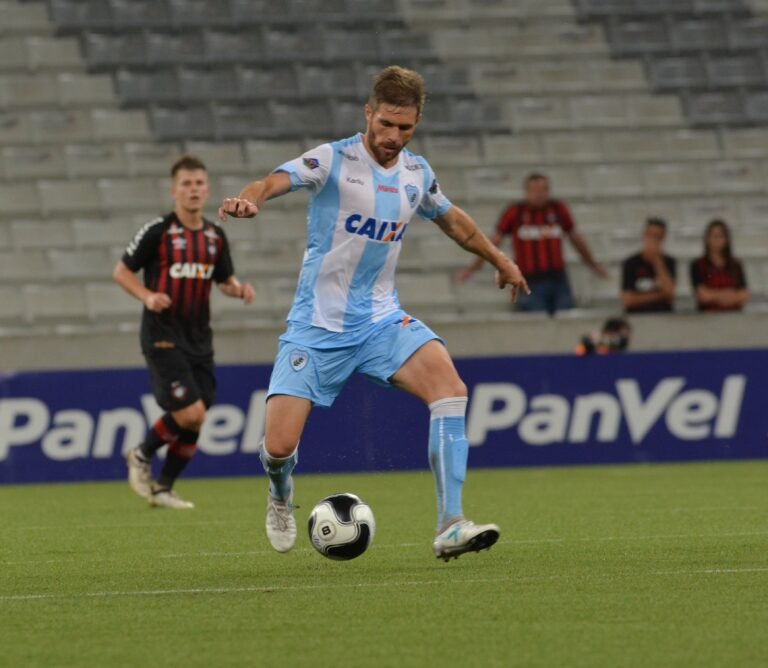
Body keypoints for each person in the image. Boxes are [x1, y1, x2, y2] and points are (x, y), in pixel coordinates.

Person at [219, 65, 529, 561]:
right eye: (385, 124)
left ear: (417, 122)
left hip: (382, 321)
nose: (393, 136)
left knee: (450, 391)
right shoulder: (333, 159)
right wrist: (250, 200)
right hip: (318, 326)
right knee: (278, 447)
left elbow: (455, 223)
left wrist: (502, 260)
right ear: (369, 113)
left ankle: (451, 524)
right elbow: (273, 180)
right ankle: (280, 493)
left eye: (404, 128)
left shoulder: (416, 173)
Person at [114, 155, 255, 509]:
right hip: (163, 336)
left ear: (206, 190)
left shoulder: (214, 236)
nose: (193, 190)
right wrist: (147, 296)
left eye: (199, 184)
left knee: (197, 417)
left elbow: (224, 280)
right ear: (174, 190)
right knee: (191, 414)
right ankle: (142, 455)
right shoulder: (158, 231)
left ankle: (163, 488)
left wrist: (238, 289)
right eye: (186, 184)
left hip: (199, 340)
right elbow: (121, 271)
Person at [456, 172, 606, 315]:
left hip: (558, 279)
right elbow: (493, 242)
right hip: (529, 281)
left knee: (566, 322)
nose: (539, 194)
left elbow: (576, 239)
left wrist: (592, 264)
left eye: (543, 189)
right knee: (536, 324)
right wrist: (473, 268)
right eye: (534, 190)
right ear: (526, 192)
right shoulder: (515, 212)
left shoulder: (559, 210)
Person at [690, 219, 749, 312]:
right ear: (707, 238)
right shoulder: (697, 264)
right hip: (708, 317)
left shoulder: (736, 265)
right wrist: (726, 295)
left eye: (720, 236)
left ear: (726, 239)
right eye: (713, 236)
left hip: (734, 315)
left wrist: (714, 296)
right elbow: (702, 295)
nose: (717, 240)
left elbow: (744, 294)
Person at [621, 218, 676, 313]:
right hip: (637, 316)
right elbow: (628, 300)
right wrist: (660, 295)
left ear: (663, 238)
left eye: (657, 236)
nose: (652, 240)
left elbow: (669, 295)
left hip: (663, 315)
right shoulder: (631, 263)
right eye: (649, 235)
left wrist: (657, 262)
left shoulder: (669, 262)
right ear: (644, 235)